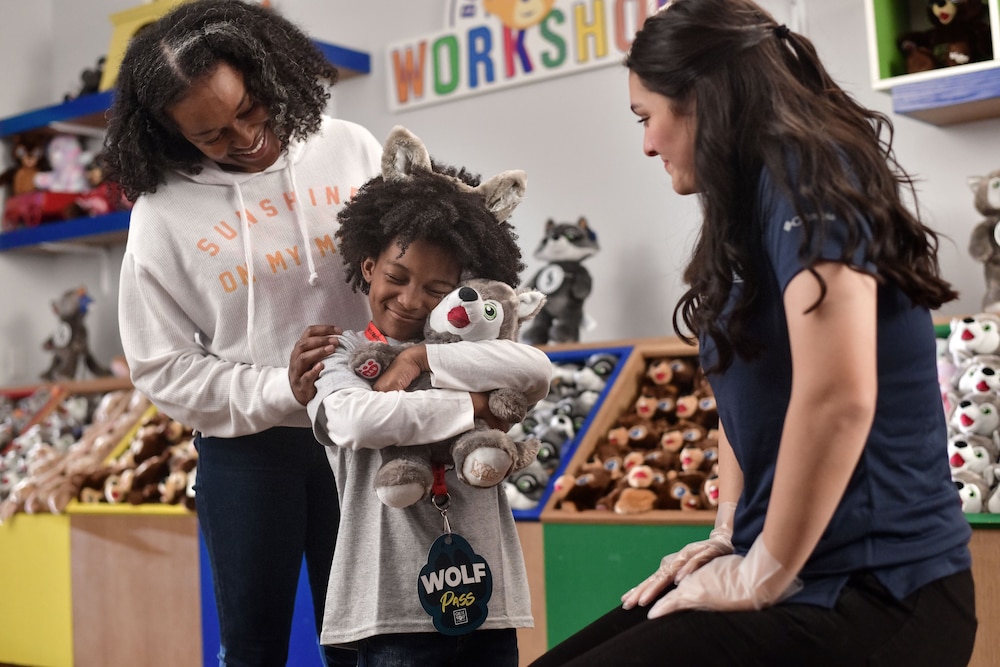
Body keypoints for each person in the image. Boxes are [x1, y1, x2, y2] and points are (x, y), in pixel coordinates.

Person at [529, 1, 978, 665]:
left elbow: (838, 394)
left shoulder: (809, 173)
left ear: (702, 100)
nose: (647, 144)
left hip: (881, 590)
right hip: (803, 576)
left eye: (646, 117)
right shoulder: (748, 203)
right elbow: (745, 381)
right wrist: (730, 532)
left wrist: (760, 571)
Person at [102, 1, 383, 665]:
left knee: (369, 641)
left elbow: (416, 269)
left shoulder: (351, 149)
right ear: (172, 135)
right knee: (253, 647)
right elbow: (162, 366)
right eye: (211, 135)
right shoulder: (161, 215)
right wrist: (281, 386)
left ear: (267, 72)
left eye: (249, 108)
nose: (247, 137)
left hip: (368, 434)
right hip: (248, 453)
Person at [306, 126, 552, 667]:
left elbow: (536, 370)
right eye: (396, 276)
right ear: (368, 268)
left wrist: (421, 358)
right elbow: (359, 421)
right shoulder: (342, 354)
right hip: (388, 610)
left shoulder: (471, 351)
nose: (411, 299)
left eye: (436, 289)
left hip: (489, 605)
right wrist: (472, 407)